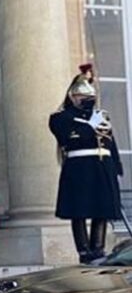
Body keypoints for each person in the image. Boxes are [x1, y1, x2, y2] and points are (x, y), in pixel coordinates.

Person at [49, 64, 122, 264]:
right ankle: (83, 250)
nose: (88, 100)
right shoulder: (61, 118)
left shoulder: (100, 116)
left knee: (103, 209)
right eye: (83, 97)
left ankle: (98, 248)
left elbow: (110, 143)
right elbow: (68, 139)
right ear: (73, 97)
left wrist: (116, 166)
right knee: (78, 210)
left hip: (102, 166)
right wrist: (90, 126)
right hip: (79, 167)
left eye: (90, 97)